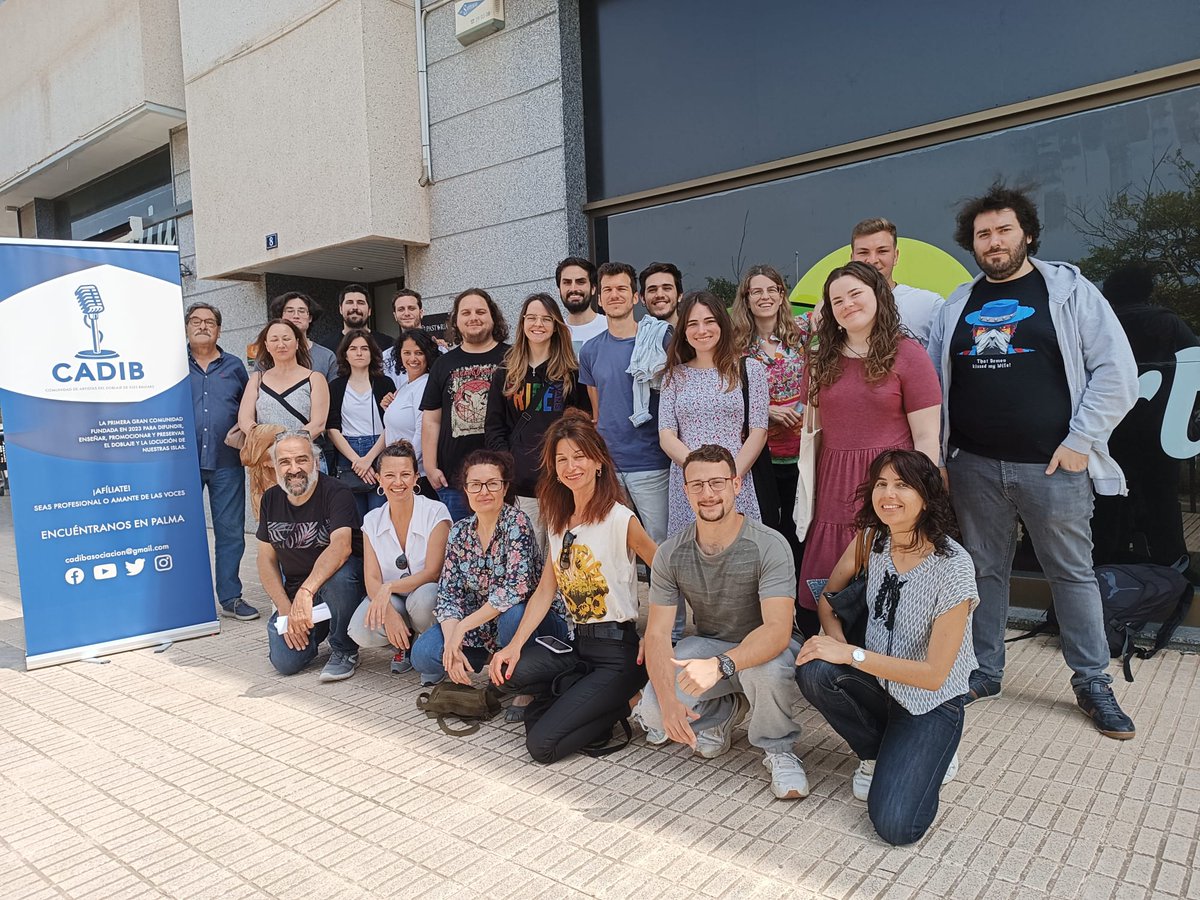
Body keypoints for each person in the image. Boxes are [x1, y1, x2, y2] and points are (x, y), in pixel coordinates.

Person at [928, 182, 1139, 738]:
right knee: (983, 573)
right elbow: (936, 386)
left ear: (1026, 234)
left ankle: (1092, 680)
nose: (993, 242)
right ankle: (984, 670)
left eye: (1003, 230)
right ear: (970, 244)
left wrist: (1080, 442)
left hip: (1053, 468)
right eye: (982, 234)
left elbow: (1118, 374)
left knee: (1071, 574)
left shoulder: (1069, 292)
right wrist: (944, 455)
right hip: (973, 466)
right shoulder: (957, 305)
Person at [796, 449, 974, 845]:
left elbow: (934, 676)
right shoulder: (872, 539)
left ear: (926, 496)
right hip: (879, 686)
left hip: (930, 702)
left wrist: (851, 655)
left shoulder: (954, 566)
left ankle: (934, 751)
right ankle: (879, 752)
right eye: (881, 484)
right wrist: (835, 643)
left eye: (902, 485)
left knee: (898, 828)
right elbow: (829, 596)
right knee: (814, 668)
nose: (888, 494)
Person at [634, 445, 808, 800]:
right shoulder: (671, 552)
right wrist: (668, 702)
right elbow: (656, 634)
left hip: (768, 648)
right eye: (697, 485)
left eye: (717, 483)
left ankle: (778, 749)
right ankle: (725, 709)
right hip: (712, 643)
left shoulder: (769, 544)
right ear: (685, 491)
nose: (708, 494)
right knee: (653, 714)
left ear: (736, 484)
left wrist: (721, 666)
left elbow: (777, 630)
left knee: (764, 671)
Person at [490, 411, 657, 763]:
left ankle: (627, 701)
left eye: (579, 456)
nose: (571, 466)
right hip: (578, 646)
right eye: (561, 459)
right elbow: (544, 592)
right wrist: (514, 646)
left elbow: (666, 574)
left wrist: (654, 633)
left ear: (598, 461)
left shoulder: (619, 518)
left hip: (617, 652)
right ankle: (593, 705)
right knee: (510, 675)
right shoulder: (558, 521)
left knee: (542, 747)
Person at [796, 261, 941, 639]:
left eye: (855, 293)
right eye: (837, 299)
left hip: (891, 483)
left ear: (879, 295)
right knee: (827, 584)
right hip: (834, 482)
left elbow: (926, 439)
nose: (847, 304)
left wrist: (920, 499)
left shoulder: (910, 355)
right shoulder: (819, 359)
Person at [579, 262, 682, 637]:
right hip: (609, 465)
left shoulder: (660, 339)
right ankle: (622, 626)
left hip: (651, 462)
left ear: (635, 297)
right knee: (615, 550)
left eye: (622, 289)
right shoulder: (590, 351)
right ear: (599, 297)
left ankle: (670, 629)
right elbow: (597, 409)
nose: (615, 296)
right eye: (607, 290)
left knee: (659, 550)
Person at [409, 450, 570, 685]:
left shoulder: (517, 523)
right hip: (482, 627)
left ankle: (525, 686)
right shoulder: (459, 532)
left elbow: (516, 589)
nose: (484, 491)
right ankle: (487, 661)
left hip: (533, 623)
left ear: (504, 488)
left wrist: (463, 626)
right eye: (475, 484)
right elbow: (448, 595)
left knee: (512, 614)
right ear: (465, 489)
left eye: (492, 484)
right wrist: (452, 640)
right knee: (423, 654)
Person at [1092, 263, 1199, 568]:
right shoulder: (1168, 323)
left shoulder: (1101, 324)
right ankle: (1172, 566)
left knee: (1107, 501)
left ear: (1109, 291)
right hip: (1161, 429)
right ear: (1147, 291)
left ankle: (1106, 566)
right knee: (1162, 501)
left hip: (1108, 430)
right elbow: (1195, 365)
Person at [485, 292, 590, 554]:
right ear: (522, 323)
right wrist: (510, 462)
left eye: (545, 319)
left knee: (561, 556)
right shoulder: (505, 373)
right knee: (525, 555)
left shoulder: (571, 374)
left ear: (556, 325)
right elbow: (494, 426)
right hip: (521, 487)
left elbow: (581, 427)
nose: (538, 324)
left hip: (560, 483)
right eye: (531, 318)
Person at [257, 429, 364, 681]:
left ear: (315, 461)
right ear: (275, 467)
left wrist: (306, 592)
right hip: (298, 596)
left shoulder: (336, 492)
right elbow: (265, 559)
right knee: (285, 662)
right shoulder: (270, 499)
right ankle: (319, 629)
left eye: (301, 460)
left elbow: (341, 547)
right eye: (285, 462)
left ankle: (344, 648)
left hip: (337, 588)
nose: (294, 469)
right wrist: (285, 607)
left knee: (342, 576)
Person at [659, 290, 768, 535]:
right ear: (684, 332)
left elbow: (758, 432)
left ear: (722, 324)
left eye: (709, 321)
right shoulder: (674, 377)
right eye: (693, 324)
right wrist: (698, 476)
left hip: (736, 477)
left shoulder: (749, 370)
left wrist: (727, 479)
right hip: (688, 481)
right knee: (690, 552)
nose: (702, 330)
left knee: (739, 550)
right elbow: (666, 435)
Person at [347, 440, 451, 675]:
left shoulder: (436, 512)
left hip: (424, 591)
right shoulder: (372, 520)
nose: (398, 482)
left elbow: (433, 572)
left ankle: (428, 646)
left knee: (426, 598)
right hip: (393, 598)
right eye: (390, 475)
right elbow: (372, 578)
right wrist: (389, 614)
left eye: (405, 474)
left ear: (416, 478)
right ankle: (401, 642)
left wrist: (388, 587)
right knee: (361, 629)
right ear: (380, 480)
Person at [730, 264, 808, 571]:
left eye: (771, 289)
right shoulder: (734, 345)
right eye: (756, 291)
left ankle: (801, 606)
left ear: (781, 294)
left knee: (801, 528)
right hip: (761, 454)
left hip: (803, 451)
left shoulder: (802, 333)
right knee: (769, 528)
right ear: (746, 298)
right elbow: (730, 396)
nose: (765, 296)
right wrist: (766, 411)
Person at [185, 302, 256, 621]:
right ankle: (185, 596)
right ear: (186, 327)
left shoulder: (234, 366)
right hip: (181, 463)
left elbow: (249, 406)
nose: (202, 326)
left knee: (229, 531)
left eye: (209, 322)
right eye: (196, 321)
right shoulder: (171, 364)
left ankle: (230, 597)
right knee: (183, 530)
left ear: (219, 329)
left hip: (227, 460)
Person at [421, 288, 510, 522]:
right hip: (454, 479)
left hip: (504, 477)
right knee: (461, 549)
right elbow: (432, 418)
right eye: (466, 312)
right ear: (456, 321)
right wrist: (430, 466)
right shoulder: (443, 363)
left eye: (481, 311)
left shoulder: (513, 358)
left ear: (493, 317)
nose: (473, 317)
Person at [238, 318, 330, 504]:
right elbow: (245, 420)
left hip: (306, 460)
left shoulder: (314, 378)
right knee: (274, 523)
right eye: (274, 339)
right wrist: (267, 446)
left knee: (311, 520)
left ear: (297, 342)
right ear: (266, 345)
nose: (281, 344)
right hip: (268, 462)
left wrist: (287, 448)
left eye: (286, 339)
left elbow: (318, 424)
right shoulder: (257, 379)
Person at [326, 329, 395, 520]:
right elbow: (332, 428)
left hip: (380, 449)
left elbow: (392, 423)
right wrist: (357, 461)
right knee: (353, 517)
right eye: (353, 348)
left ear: (372, 353)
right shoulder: (336, 386)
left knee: (379, 514)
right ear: (345, 354)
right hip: (347, 451)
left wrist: (368, 459)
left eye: (364, 348)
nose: (359, 353)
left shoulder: (385, 383)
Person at [850, 218, 944, 347]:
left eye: (882, 251)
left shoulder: (929, 305)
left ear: (895, 256)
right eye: (863, 252)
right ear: (852, 258)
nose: (872, 260)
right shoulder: (839, 309)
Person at [383, 327, 440, 494]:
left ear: (428, 355)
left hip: (416, 476)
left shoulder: (425, 385)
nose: (412, 358)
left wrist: (406, 465)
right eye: (407, 352)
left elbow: (422, 431)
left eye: (419, 353)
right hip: (400, 472)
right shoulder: (404, 387)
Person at [268, 291, 339, 382]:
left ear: (310, 318)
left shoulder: (326, 356)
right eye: (290, 311)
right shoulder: (267, 354)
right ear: (281, 316)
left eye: (301, 311)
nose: (296, 316)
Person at [317, 283, 391, 353]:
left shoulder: (388, 345)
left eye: (360, 303)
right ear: (340, 309)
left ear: (369, 311)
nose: (355, 307)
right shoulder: (326, 348)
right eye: (349, 302)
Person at [557, 256, 607, 352]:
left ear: (593, 289)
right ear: (559, 290)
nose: (573, 289)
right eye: (567, 282)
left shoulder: (609, 327)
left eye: (580, 282)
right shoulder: (554, 331)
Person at [383, 289, 427, 380]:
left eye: (411, 308)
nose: (406, 313)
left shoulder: (440, 350)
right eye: (401, 309)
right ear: (395, 315)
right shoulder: (386, 357)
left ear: (421, 313)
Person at [640, 261, 683, 327]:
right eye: (652, 290)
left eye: (667, 288)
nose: (660, 295)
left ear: (679, 295)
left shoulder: (696, 334)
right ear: (643, 298)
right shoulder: (636, 335)